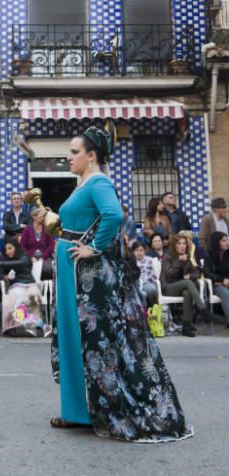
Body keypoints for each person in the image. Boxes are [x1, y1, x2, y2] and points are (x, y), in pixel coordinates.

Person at [47, 121, 193, 441]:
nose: (68, 157)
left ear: (92, 155)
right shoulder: (83, 182)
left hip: (89, 279)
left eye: (74, 152)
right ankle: (78, 411)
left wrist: (94, 248)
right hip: (75, 276)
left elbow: (113, 215)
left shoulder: (98, 183)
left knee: (94, 343)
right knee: (77, 341)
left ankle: (99, 409)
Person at [161, 234, 211, 337]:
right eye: (179, 243)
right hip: (168, 287)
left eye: (184, 243)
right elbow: (169, 274)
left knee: (187, 293)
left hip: (182, 287)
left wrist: (190, 276)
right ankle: (203, 309)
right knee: (188, 284)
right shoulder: (168, 256)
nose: (182, 246)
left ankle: (186, 326)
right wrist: (179, 261)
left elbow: (197, 272)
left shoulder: (186, 257)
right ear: (174, 245)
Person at [0, 239, 43, 336]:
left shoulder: (24, 256)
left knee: (33, 294)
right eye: (6, 249)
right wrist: (5, 277)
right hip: (16, 285)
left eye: (10, 248)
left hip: (29, 283)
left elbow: (20, 263)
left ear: (16, 248)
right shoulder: (5, 259)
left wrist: (0, 264)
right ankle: (16, 326)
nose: (8, 251)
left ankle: (33, 326)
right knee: (17, 294)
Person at [20, 206, 55, 279]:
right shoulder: (27, 229)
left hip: (45, 256)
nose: (43, 218)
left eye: (43, 216)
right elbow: (22, 245)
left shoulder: (47, 228)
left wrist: (43, 258)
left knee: (48, 269)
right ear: (34, 217)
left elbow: (51, 245)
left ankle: (46, 288)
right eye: (41, 216)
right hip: (30, 256)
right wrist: (31, 257)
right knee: (26, 267)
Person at [203, 231, 229, 326]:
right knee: (225, 293)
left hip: (227, 283)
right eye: (223, 241)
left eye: (227, 240)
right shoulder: (208, 255)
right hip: (215, 284)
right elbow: (207, 273)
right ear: (216, 242)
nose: (226, 243)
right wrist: (221, 280)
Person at [132, 241, 158, 307]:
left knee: (152, 289)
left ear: (145, 251)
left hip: (148, 282)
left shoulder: (150, 260)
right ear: (133, 252)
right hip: (135, 284)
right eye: (137, 250)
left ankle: (154, 307)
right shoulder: (131, 261)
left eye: (141, 250)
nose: (139, 252)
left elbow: (155, 273)